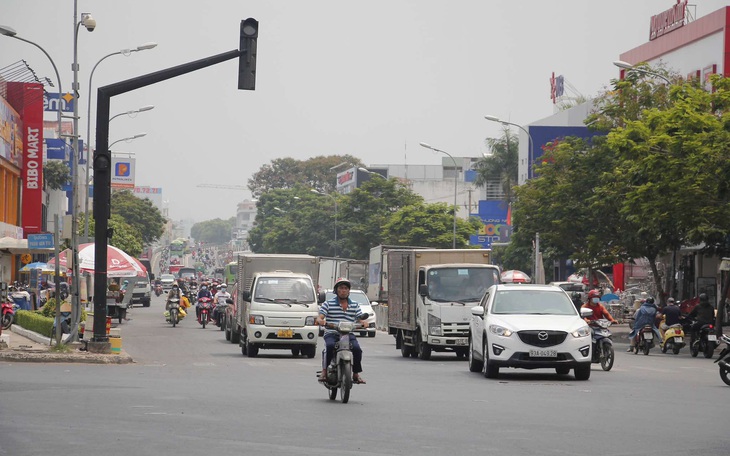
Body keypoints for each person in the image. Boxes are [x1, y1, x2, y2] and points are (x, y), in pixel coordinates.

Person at [316, 277, 367, 384]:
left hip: (348, 334)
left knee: (357, 349)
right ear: (336, 290)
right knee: (329, 346)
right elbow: (320, 317)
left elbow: (360, 318)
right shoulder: (328, 304)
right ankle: (324, 371)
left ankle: (356, 374)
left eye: (345, 288)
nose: (343, 290)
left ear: (349, 291)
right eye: (341, 288)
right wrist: (321, 320)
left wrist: (363, 323)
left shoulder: (354, 304)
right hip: (332, 333)